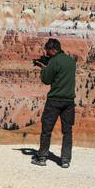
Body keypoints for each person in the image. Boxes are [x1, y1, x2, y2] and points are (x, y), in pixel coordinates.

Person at [32, 39, 77, 169]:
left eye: (47, 51)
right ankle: (65, 160)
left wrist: (43, 69)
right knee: (67, 131)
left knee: (47, 129)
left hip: (54, 101)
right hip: (69, 101)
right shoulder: (71, 61)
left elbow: (46, 80)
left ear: (53, 50)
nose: (47, 54)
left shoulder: (54, 61)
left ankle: (42, 157)